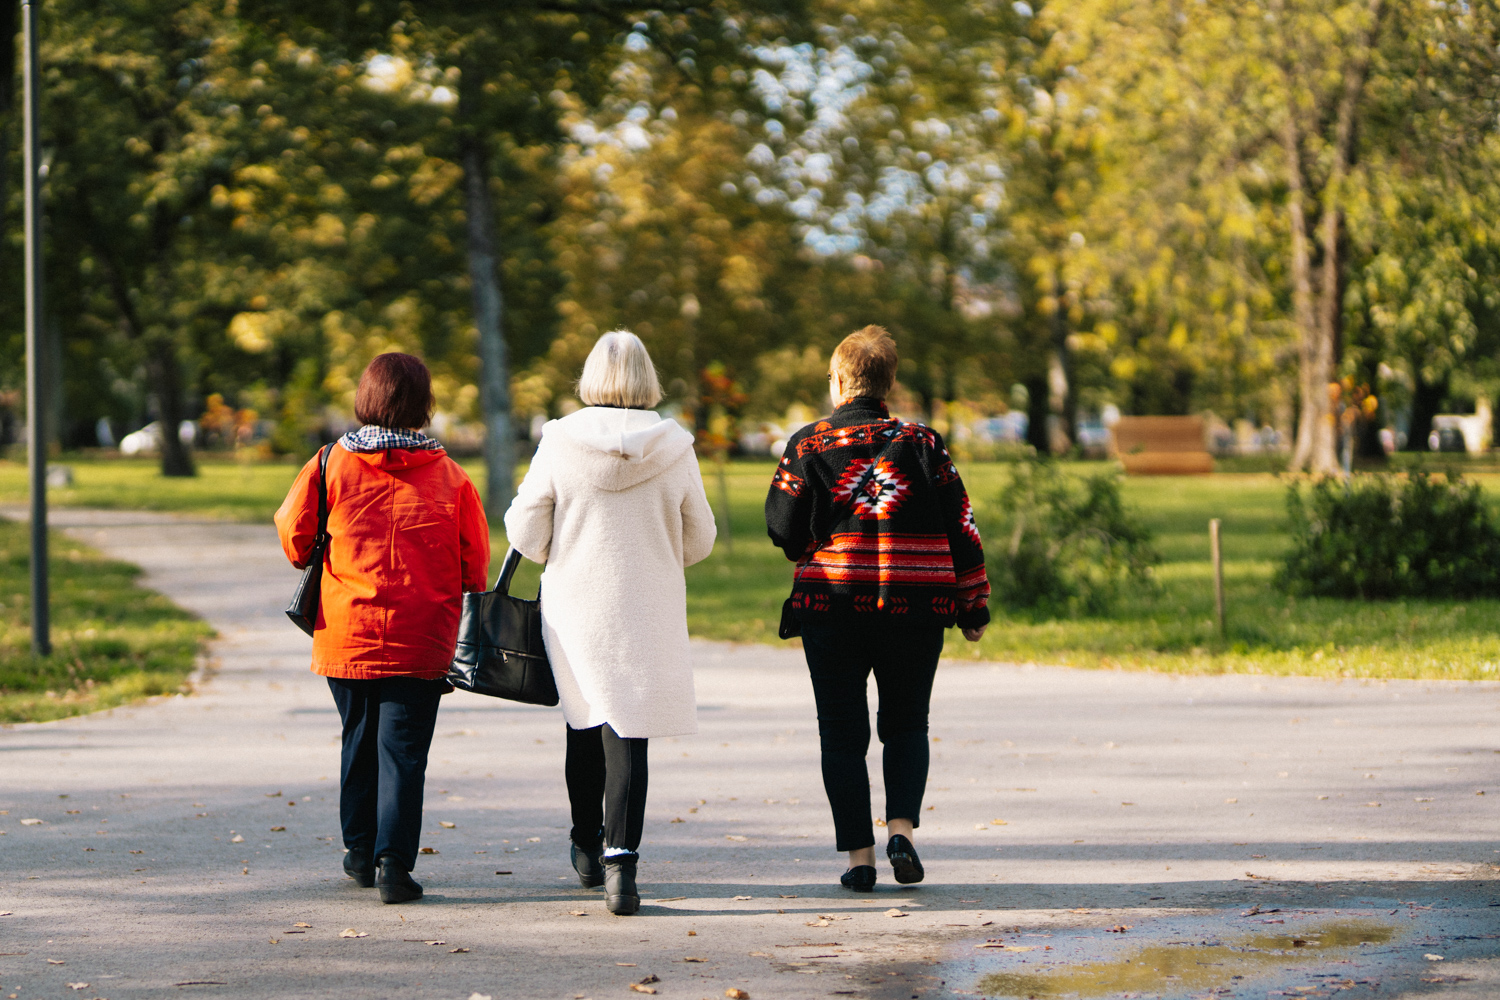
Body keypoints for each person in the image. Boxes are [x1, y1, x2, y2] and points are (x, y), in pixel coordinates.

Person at [764, 326, 990, 892]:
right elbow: (962, 526)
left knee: (841, 735)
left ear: (839, 381)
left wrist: (814, 537)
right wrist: (974, 605)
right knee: (907, 724)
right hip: (916, 607)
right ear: (887, 384)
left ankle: (860, 860)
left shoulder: (808, 445)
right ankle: (902, 834)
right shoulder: (923, 443)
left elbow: (782, 527)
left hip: (831, 607)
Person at [505, 330, 716, 915]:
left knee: (583, 723)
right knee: (630, 730)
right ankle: (623, 864)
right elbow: (700, 538)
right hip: (645, 605)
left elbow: (525, 532)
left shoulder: (559, 440)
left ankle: (585, 846)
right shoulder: (675, 444)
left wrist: (562, 541)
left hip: (576, 606)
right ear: (648, 378)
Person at [275, 353, 489, 904]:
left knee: (358, 738)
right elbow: (475, 565)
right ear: (423, 404)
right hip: (424, 636)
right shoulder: (451, 477)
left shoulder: (329, 464)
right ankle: (395, 862)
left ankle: (358, 852)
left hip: (347, 630)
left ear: (366, 397)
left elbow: (295, 539)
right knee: (404, 752)